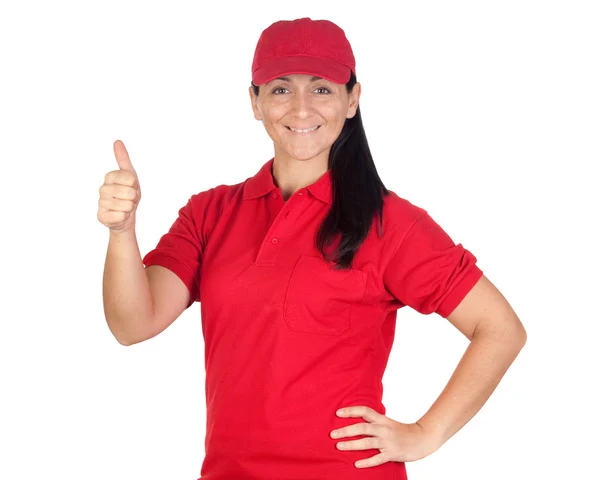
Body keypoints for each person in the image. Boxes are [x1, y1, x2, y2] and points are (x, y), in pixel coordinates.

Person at [98, 17, 527, 480]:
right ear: (255, 103)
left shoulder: (391, 224)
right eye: (280, 89)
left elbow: (500, 328)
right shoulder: (210, 214)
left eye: (321, 88)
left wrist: (426, 433)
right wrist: (122, 232)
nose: (301, 108)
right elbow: (132, 325)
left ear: (352, 99)